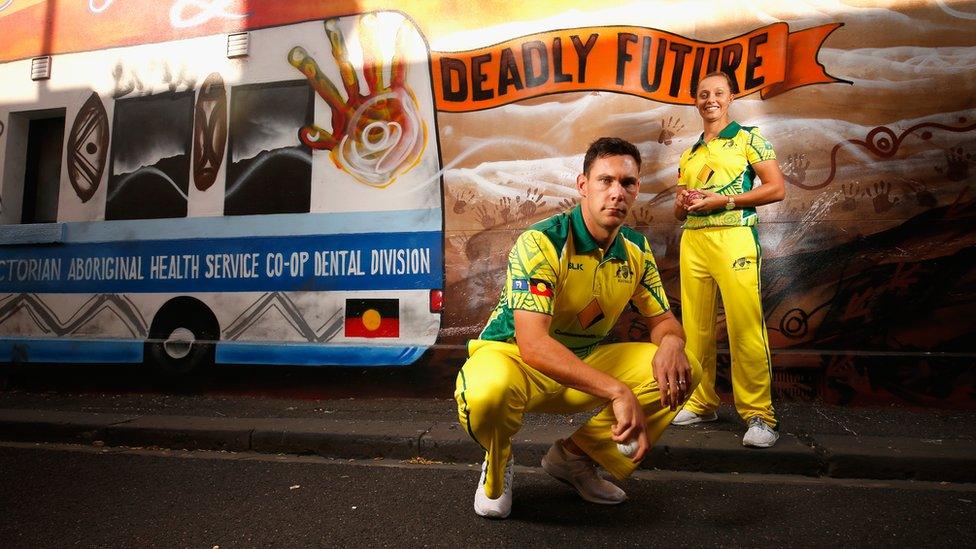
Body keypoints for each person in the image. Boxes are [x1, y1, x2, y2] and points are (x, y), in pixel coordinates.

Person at [454, 137, 700, 519]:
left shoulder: (636, 249)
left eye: (628, 183)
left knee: (685, 367)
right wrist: (617, 391)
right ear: (583, 186)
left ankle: (574, 458)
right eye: (605, 181)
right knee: (487, 393)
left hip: (584, 362)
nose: (617, 193)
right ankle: (498, 460)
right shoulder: (542, 242)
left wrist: (671, 342)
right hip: (516, 360)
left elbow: (664, 321)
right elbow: (533, 343)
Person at [671, 71, 786, 448]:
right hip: (694, 242)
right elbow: (681, 212)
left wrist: (724, 200)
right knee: (697, 330)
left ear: (731, 97)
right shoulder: (689, 153)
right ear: (695, 101)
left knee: (744, 326)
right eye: (703, 94)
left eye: (718, 92)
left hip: (734, 238)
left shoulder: (749, 139)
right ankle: (702, 402)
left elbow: (776, 188)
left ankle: (759, 416)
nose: (711, 99)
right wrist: (680, 205)